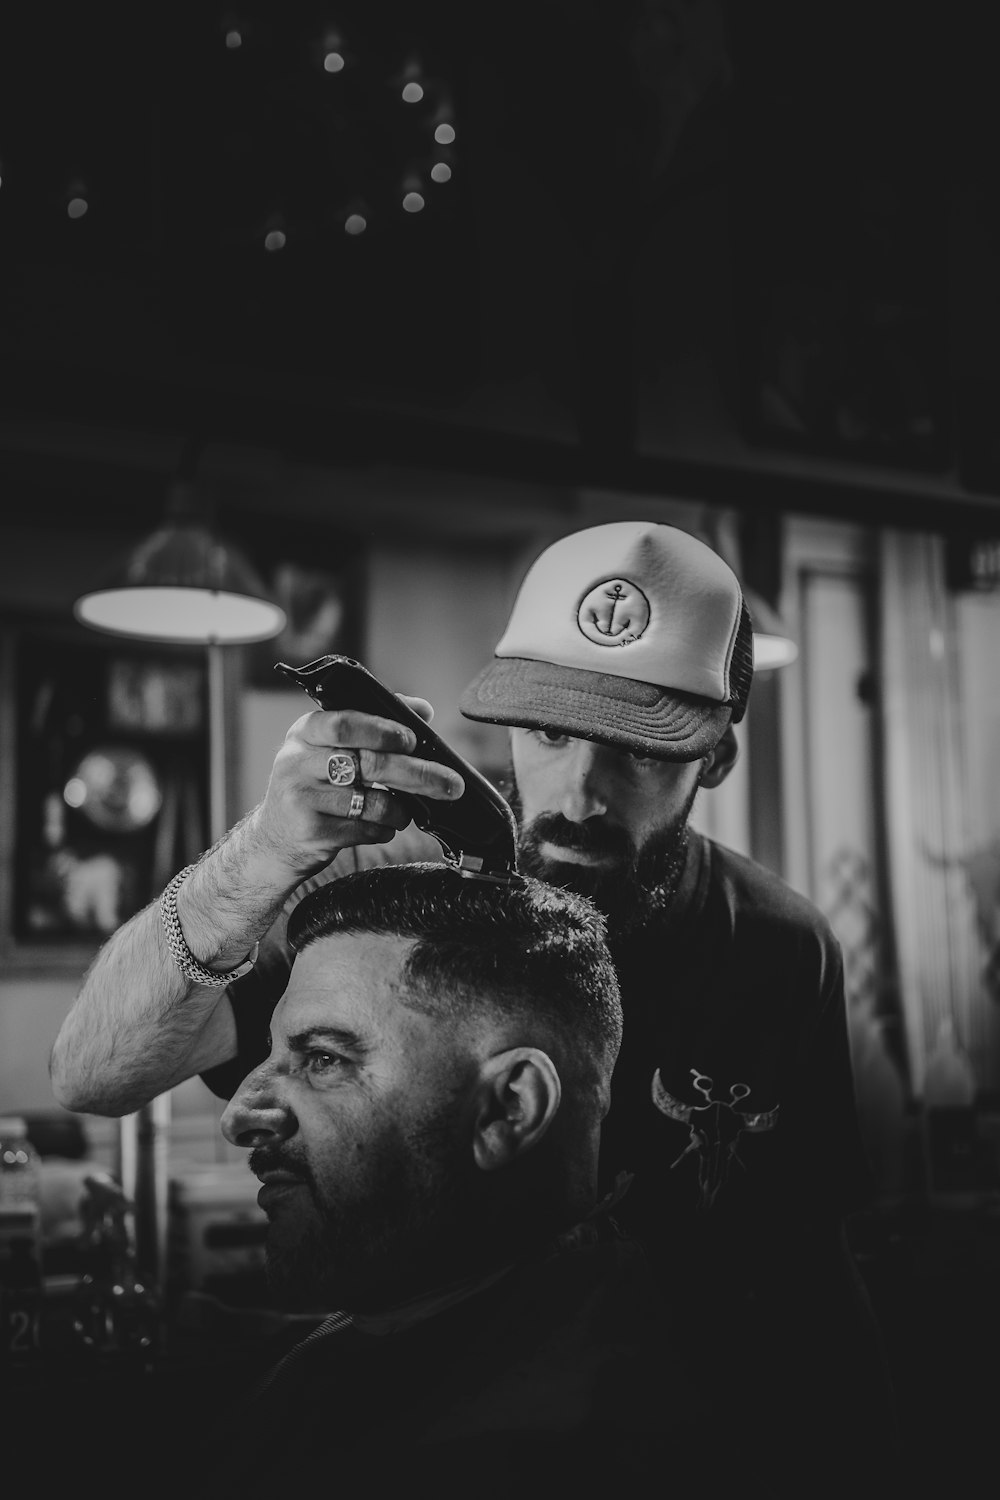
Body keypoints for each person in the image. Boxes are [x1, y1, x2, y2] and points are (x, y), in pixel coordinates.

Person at [50, 520, 897, 1494]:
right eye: (546, 733)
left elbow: (812, 1260)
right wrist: (259, 857)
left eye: (637, 752)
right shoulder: (386, 894)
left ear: (714, 756)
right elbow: (91, 1072)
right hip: (413, 1443)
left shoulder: (778, 947)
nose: (578, 794)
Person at [171, 863, 747, 1497]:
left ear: (508, 1108)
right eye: (273, 1056)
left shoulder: (547, 1451)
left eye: (324, 1060)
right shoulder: (434, 1303)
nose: (240, 1117)